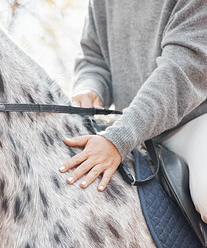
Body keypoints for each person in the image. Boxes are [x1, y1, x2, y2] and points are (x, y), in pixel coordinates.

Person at [59, 0, 207, 223]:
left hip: (192, 122)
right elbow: (94, 57)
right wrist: (89, 87)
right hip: (133, 129)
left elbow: (184, 69)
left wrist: (120, 137)